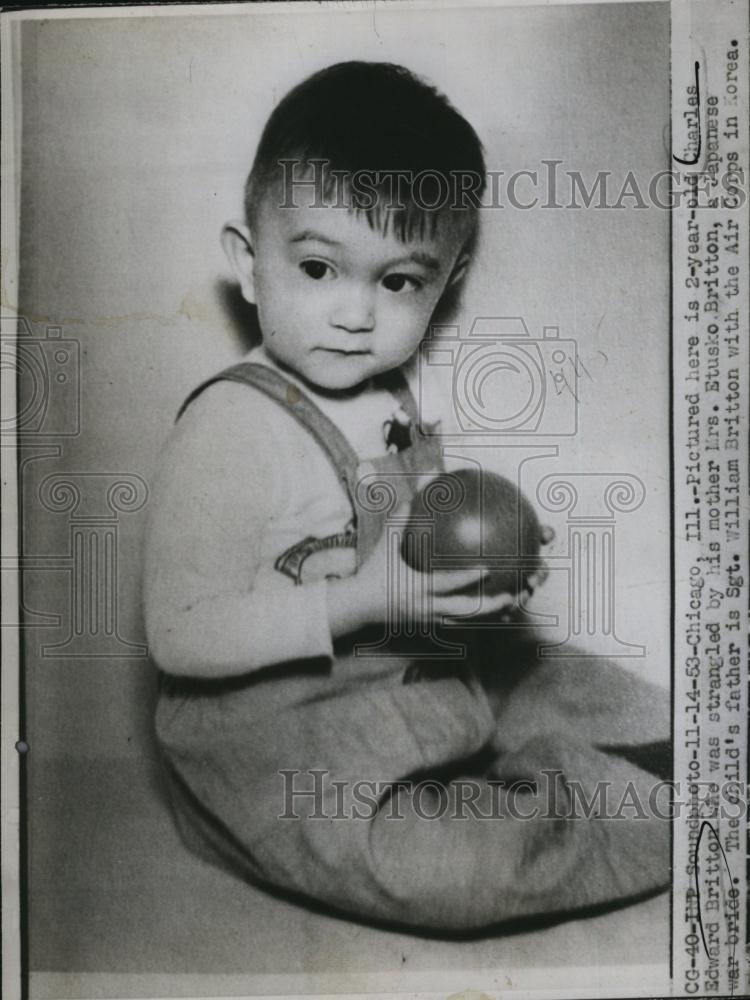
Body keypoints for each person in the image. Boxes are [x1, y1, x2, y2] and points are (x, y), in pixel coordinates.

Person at [144, 61, 670, 933]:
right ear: (248, 261)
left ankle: (670, 749)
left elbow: (417, 546)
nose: (355, 314)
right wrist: (365, 597)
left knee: (565, 676)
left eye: (397, 282)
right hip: (280, 741)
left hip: (413, 677)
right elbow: (177, 633)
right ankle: (617, 809)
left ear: (445, 281)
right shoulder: (231, 428)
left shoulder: (389, 393)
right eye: (318, 268)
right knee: (448, 873)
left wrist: (485, 573)